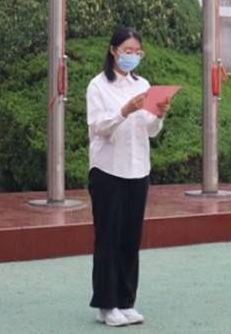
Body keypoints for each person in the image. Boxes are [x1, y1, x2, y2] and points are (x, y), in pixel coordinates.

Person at [86, 27, 170, 327]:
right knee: (108, 237)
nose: (133, 56)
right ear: (113, 50)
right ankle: (106, 305)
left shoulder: (142, 84)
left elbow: (149, 129)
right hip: (108, 169)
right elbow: (98, 126)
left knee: (131, 237)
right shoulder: (98, 86)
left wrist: (159, 113)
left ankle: (126, 301)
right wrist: (123, 111)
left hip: (138, 168)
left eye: (137, 52)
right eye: (128, 51)